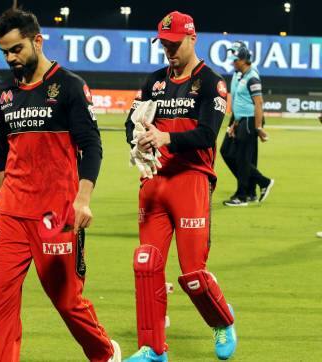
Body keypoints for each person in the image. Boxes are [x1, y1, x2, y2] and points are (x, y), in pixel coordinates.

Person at [0, 8, 121, 362]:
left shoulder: (70, 87)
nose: (10, 58)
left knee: (67, 302)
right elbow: (2, 152)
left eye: (16, 49)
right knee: (0, 301)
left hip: (56, 214)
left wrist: (83, 200)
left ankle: (105, 352)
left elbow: (91, 145)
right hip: (11, 214)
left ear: (37, 41)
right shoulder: (3, 94)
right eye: (4, 52)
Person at [123, 11, 237, 361]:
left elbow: (206, 134)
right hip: (154, 181)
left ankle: (223, 322)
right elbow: (132, 122)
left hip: (191, 181)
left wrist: (165, 136)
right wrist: (138, 138)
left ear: (192, 39)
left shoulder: (212, 83)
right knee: (147, 266)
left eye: (174, 44)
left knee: (192, 275)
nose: (169, 50)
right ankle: (153, 348)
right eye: (164, 44)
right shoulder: (153, 81)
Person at [220, 41, 274, 207]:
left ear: (244, 60)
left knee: (242, 158)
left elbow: (258, 103)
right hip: (240, 120)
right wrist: (234, 123)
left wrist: (258, 127)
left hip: (250, 121)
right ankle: (258, 184)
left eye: (235, 60)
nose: (232, 62)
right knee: (230, 153)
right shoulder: (241, 74)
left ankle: (243, 195)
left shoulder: (252, 77)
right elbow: (240, 102)